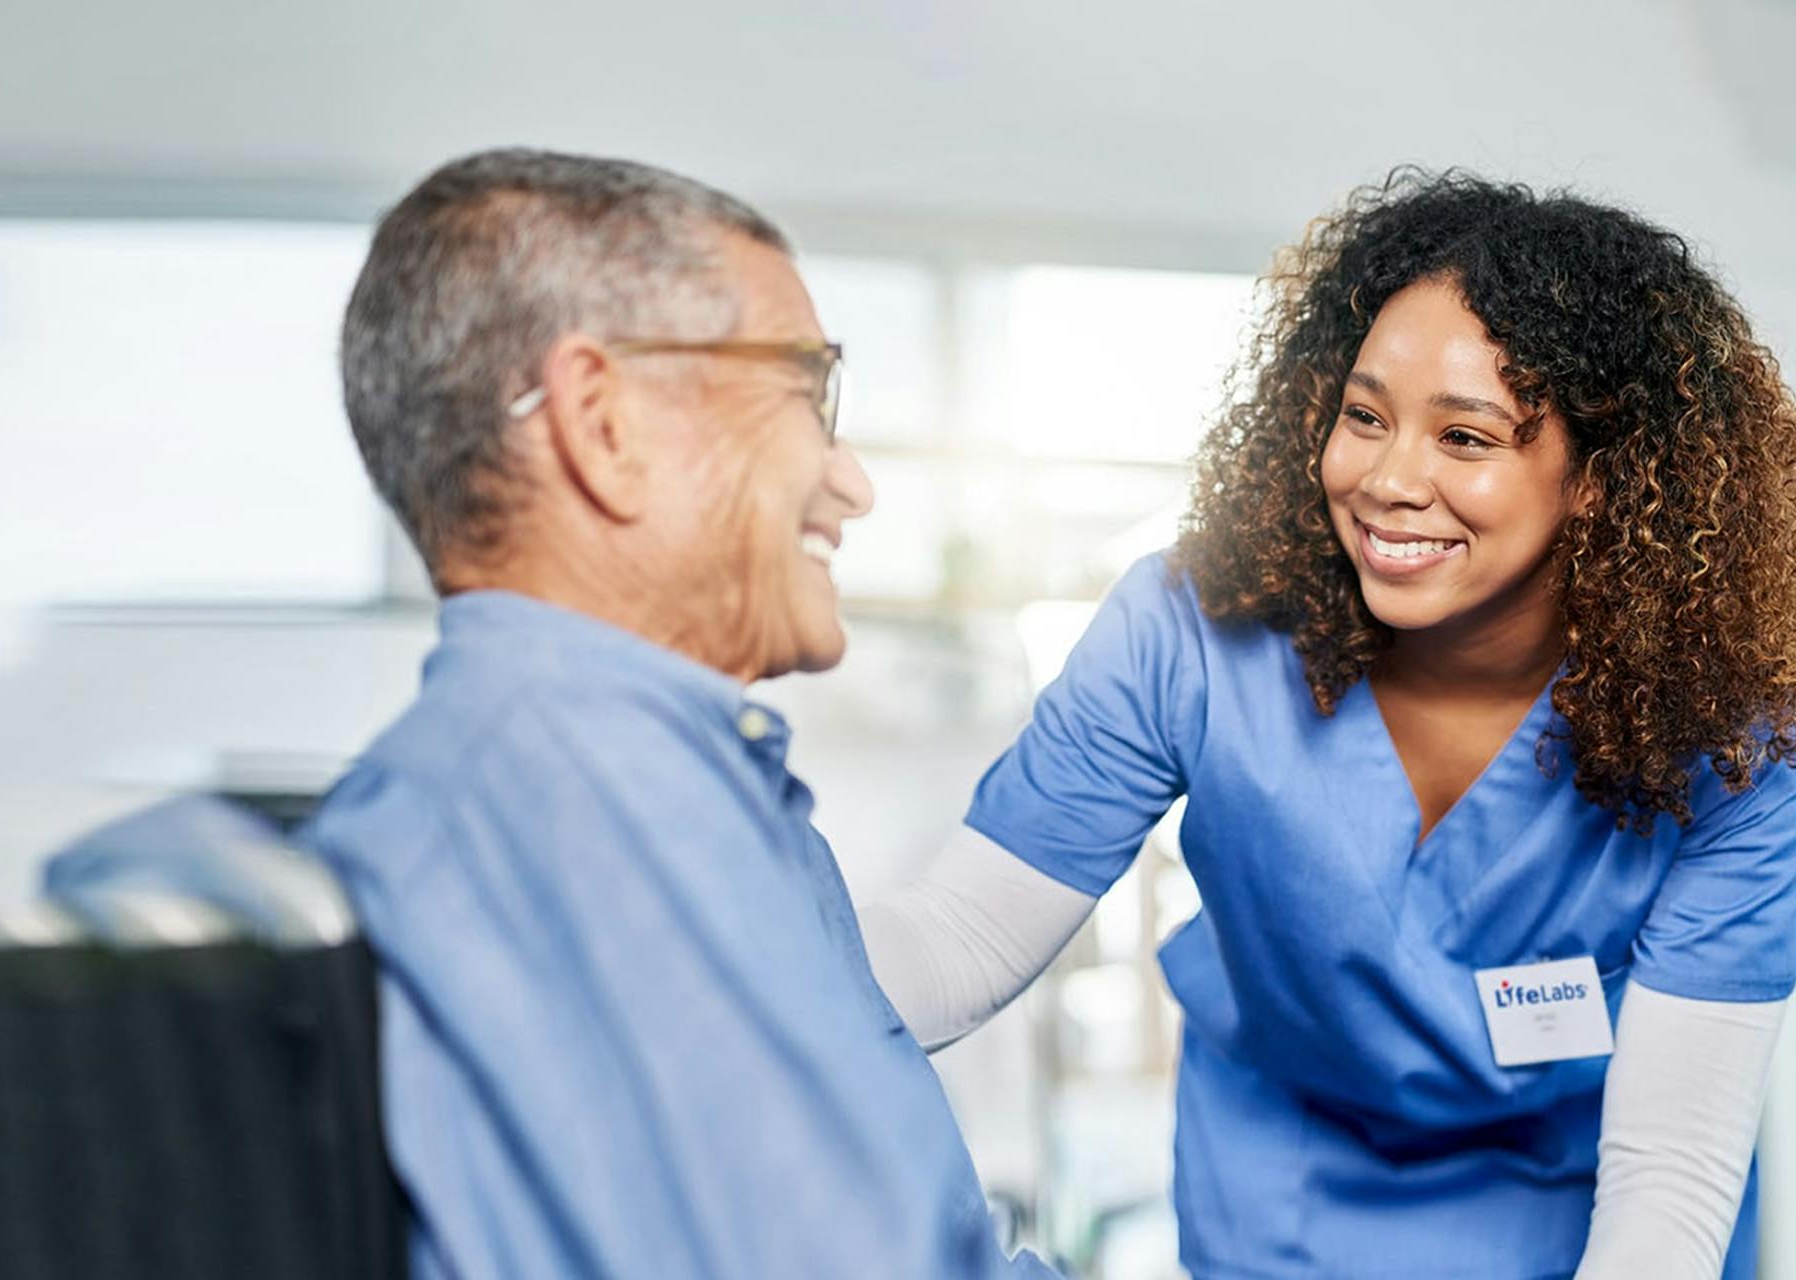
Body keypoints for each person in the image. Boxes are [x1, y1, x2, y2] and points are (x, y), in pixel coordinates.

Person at [859, 170, 1796, 1280]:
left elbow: (1669, 1183)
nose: (1390, 479)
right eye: (1365, 416)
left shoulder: (1737, 742)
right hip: (1283, 1203)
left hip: (1583, 1214)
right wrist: (729, 962)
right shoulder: (1191, 630)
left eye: (1465, 437)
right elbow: (957, 941)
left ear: (1601, 477)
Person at [305, 148, 1056, 1279]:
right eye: (804, 391)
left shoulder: (647, 789)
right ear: (603, 424)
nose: (853, 483)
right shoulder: (583, 802)